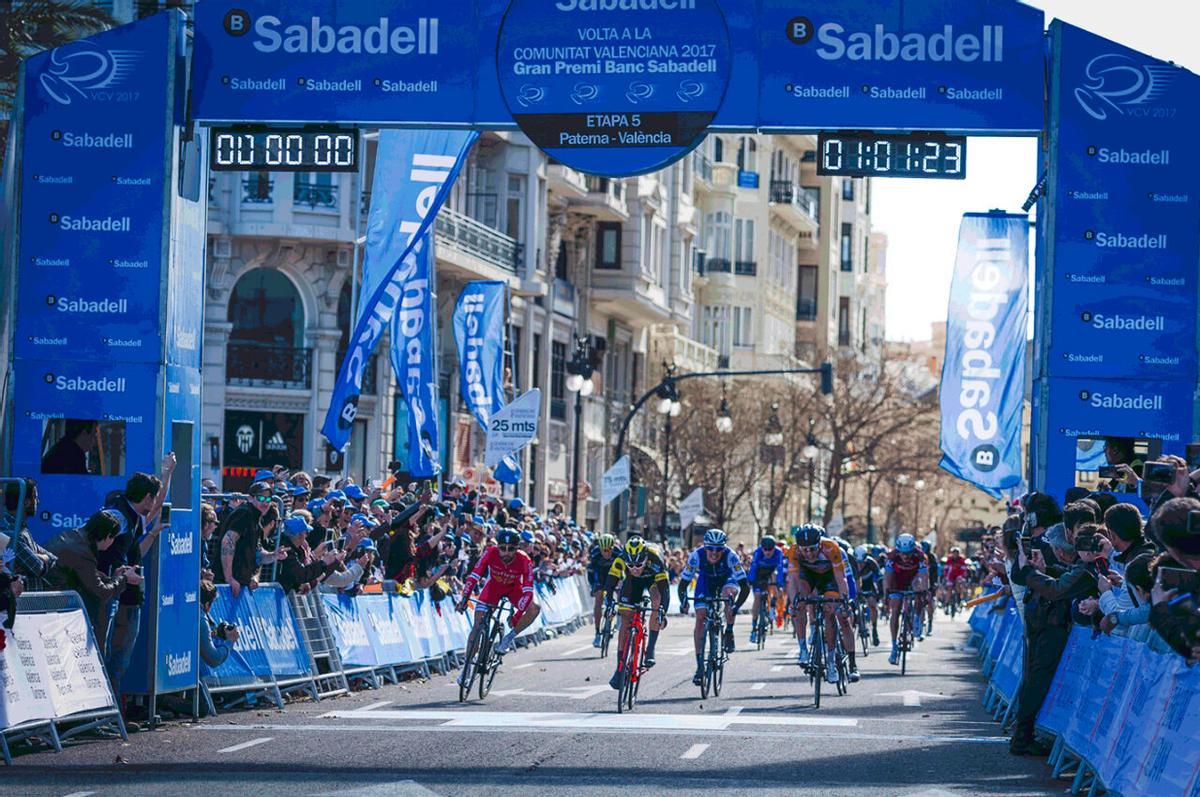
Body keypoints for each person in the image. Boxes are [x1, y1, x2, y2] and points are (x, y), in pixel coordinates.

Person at [101, 457, 175, 697]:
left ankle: (111, 713)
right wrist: (167, 473)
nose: (155, 505)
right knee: (112, 658)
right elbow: (100, 551)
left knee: (117, 660)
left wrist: (152, 534)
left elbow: (133, 554)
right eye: (152, 499)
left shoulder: (128, 513)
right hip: (115, 597)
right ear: (147, 498)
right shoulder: (120, 517)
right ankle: (104, 714)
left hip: (124, 597)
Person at [45, 510, 143, 644]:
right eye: (113, 538)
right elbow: (102, 592)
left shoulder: (74, 536)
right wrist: (124, 578)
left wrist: (113, 578)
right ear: (108, 536)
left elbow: (82, 575)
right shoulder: (84, 552)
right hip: (55, 612)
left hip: (51, 606)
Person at [456, 528, 541, 671]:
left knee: (535, 609)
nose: (506, 553)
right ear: (497, 546)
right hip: (493, 589)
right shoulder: (490, 552)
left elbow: (528, 592)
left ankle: (508, 638)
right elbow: (474, 576)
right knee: (477, 627)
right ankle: (467, 668)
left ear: (517, 548)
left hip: (514, 589)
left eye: (511, 549)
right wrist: (464, 598)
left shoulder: (524, 559)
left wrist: (517, 615)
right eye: (502, 548)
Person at [788, 524, 857, 684]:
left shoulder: (831, 548)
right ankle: (803, 649)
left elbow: (841, 579)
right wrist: (793, 603)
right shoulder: (794, 551)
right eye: (804, 550)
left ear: (820, 543)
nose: (809, 553)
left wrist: (845, 602)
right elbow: (793, 580)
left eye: (812, 549)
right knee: (799, 604)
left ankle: (831, 661)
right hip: (809, 577)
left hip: (829, 579)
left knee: (830, 611)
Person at [679, 528, 749, 686]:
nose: (714, 553)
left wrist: (736, 607)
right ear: (705, 546)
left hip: (727, 580)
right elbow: (683, 584)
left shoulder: (731, 557)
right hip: (705, 582)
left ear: (724, 548)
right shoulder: (696, 556)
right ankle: (699, 667)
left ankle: (729, 631)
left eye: (719, 549)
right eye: (710, 548)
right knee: (700, 619)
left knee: (728, 595)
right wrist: (684, 601)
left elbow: (745, 587)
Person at [604, 535, 670, 689]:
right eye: (630, 564)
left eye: (639, 564)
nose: (634, 568)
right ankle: (620, 669)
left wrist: (662, 612)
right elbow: (609, 584)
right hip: (632, 583)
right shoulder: (620, 559)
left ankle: (650, 650)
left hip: (653, 581)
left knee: (656, 600)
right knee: (625, 619)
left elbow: (665, 590)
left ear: (645, 559)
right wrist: (609, 603)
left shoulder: (655, 559)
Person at [220, 480, 285, 597]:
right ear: (250, 498)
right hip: (226, 585)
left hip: (240, 584)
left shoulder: (257, 520)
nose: (265, 503)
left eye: (268, 499)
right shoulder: (244, 513)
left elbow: (258, 554)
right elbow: (227, 542)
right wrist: (229, 578)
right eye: (260, 498)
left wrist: (274, 555)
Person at [2, 478, 57, 590]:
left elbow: (53, 557)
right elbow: (39, 568)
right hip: (21, 603)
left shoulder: (22, 530)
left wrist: (37, 556)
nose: (38, 502)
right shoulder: (11, 533)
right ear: (26, 502)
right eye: (36, 498)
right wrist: (42, 557)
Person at [883, 533, 929, 666]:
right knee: (895, 609)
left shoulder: (920, 557)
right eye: (903, 554)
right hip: (897, 580)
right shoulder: (891, 556)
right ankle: (894, 647)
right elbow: (887, 578)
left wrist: (924, 593)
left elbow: (924, 578)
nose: (906, 557)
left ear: (913, 550)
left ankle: (916, 617)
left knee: (919, 591)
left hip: (914, 578)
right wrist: (887, 594)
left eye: (908, 553)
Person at [747, 535, 786, 645]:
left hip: (771, 572)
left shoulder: (778, 553)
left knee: (776, 580)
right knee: (758, 597)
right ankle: (754, 627)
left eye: (770, 549)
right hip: (759, 573)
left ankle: (773, 604)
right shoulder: (758, 552)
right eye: (765, 549)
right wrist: (750, 580)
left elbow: (779, 568)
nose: (768, 552)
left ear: (774, 548)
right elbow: (753, 567)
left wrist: (780, 584)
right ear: (762, 548)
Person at [588, 533, 622, 647]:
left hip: (615, 574)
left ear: (612, 547)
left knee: (622, 593)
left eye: (608, 550)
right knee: (599, 598)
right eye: (604, 550)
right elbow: (590, 572)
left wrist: (623, 582)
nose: (606, 553)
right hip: (601, 575)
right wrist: (592, 586)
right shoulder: (595, 553)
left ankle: (619, 617)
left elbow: (626, 570)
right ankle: (597, 632)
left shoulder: (618, 552)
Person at [854, 544, 882, 646]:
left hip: (869, 585)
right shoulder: (851, 563)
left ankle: (874, 629)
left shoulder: (871, 563)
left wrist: (880, 593)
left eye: (862, 563)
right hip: (857, 585)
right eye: (858, 563)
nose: (860, 565)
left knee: (872, 605)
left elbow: (880, 579)